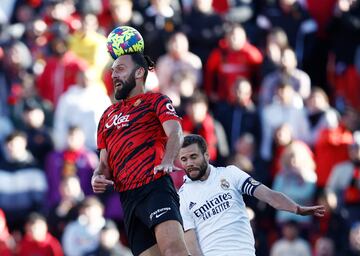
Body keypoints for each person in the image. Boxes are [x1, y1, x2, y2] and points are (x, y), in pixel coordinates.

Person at [91, 50, 189, 256]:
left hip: (154, 187)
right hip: (127, 197)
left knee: (174, 251)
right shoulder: (107, 115)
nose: (114, 75)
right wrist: (97, 176)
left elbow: (176, 132)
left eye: (120, 69)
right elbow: (103, 164)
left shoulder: (156, 101)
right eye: (112, 71)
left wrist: (168, 160)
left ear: (138, 73)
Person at [178, 134, 325, 256]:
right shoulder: (183, 196)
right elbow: (191, 242)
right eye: (184, 159)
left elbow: (269, 196)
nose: (189, 163)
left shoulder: (230, 174)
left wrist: (296, 208)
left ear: (207, 155)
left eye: (193, 156)